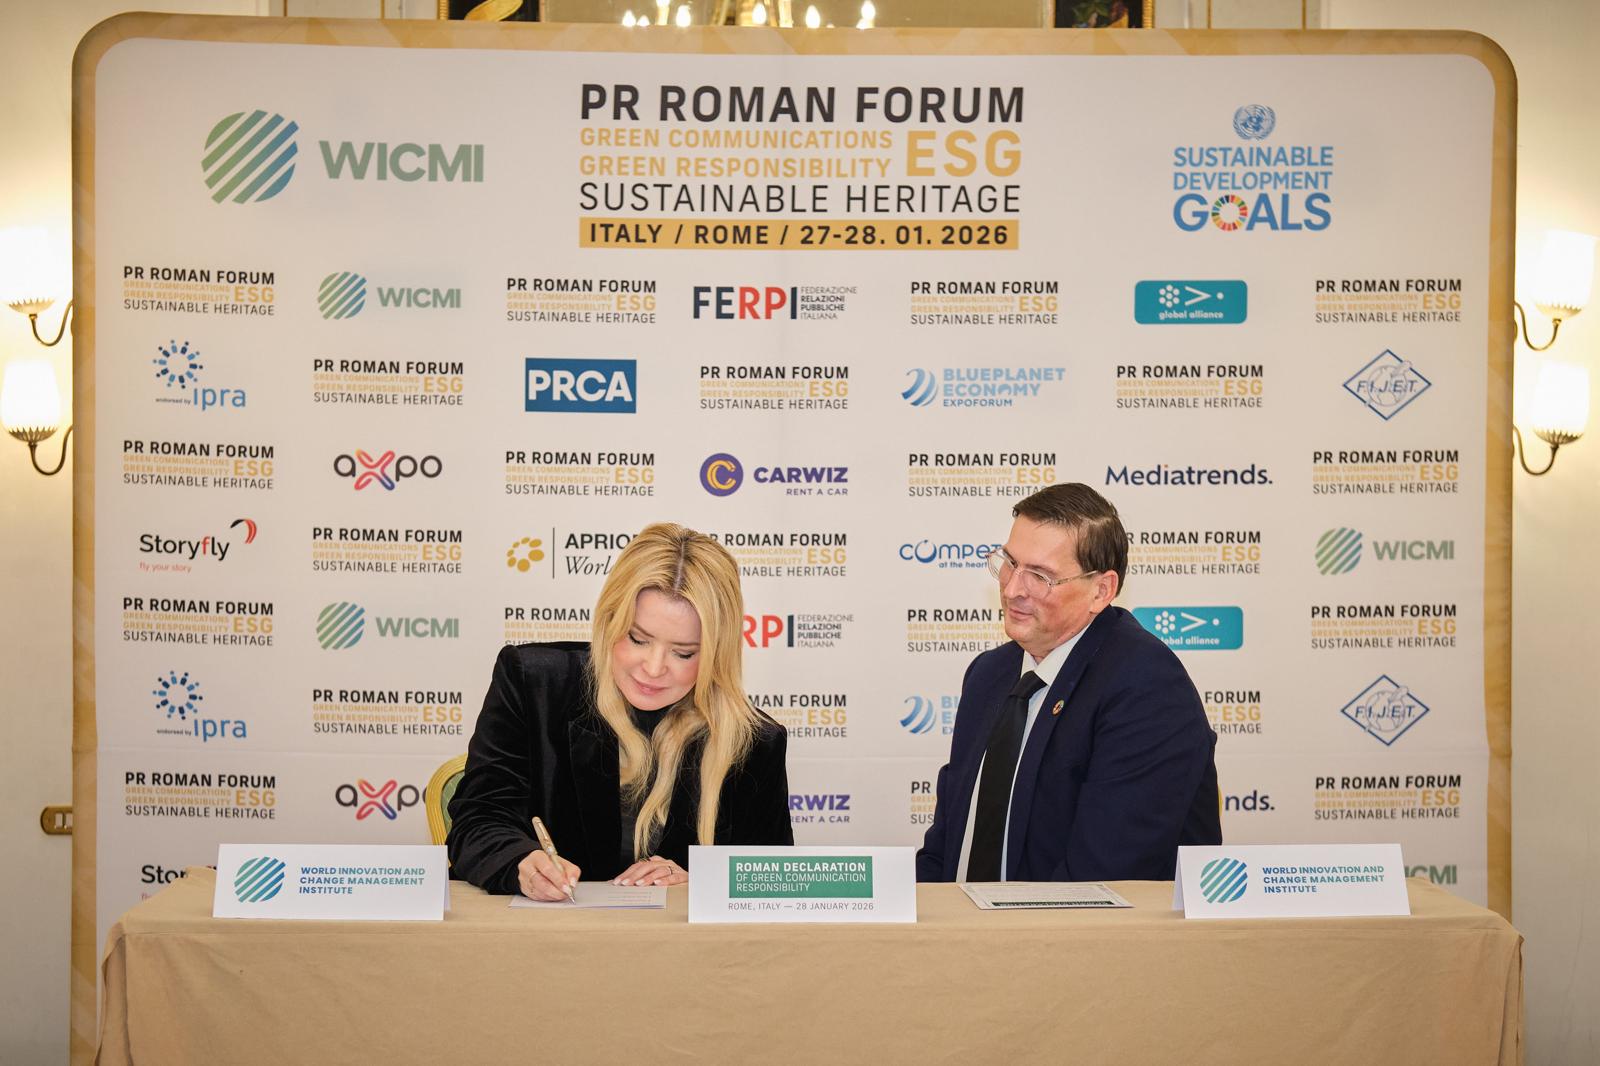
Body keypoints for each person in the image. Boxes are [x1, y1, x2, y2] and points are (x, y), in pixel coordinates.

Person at [448, 522, 792, 899]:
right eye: (638, 639)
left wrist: (700, 882)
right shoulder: (534, 683)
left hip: (678, 938)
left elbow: (771, 881)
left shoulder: (756, 741)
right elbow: (477, 820)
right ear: (609, 621)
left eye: (683, 653)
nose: (654, 668)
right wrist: (521, 863)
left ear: (716, 653)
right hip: (549, 932)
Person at [916, 483, 1220, 883]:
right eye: (1009, 563)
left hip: (1077, 923)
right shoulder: (988, 674)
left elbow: (1101, 879)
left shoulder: (1147, 686)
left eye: (1040, 576)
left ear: (1100, 591)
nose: (1012, 589)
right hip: (965, 920)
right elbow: (946, 848)